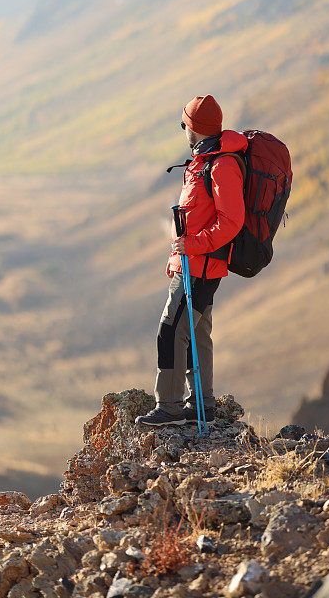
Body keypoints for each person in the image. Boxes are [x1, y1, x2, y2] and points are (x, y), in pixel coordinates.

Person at [136, 95, 247, 426]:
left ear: (194, 129)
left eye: (185, 124)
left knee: (171, 331)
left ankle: (169, 407)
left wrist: (193, 245)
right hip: (196, 263)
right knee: (197, 333)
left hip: (199, 265)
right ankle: (203, 404)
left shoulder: (221, 165)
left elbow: (232, 221)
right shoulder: (207, 160)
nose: (184, 129)